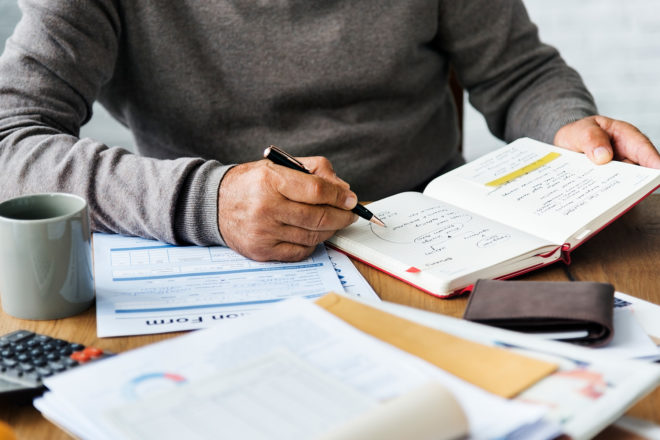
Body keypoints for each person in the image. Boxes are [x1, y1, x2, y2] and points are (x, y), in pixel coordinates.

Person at [1, 1, 658, 263]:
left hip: (432, 251)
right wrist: (209, 201)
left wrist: (568, 124)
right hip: (205, 258)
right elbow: (10, 139)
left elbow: (519, 72)